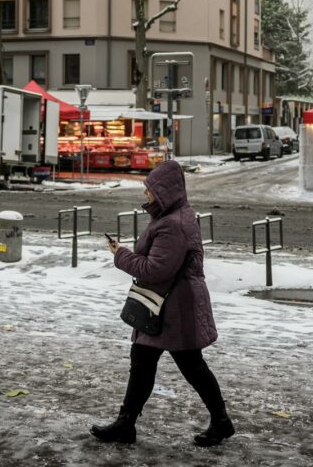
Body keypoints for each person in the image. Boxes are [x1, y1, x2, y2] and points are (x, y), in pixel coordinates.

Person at [91, 160, 234, 447]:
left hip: (175, 308)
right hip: (166, 305)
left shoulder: (173, 225)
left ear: (164, 192)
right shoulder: (169, 216)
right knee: (143, 362)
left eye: (150, 190)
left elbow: (155, 270)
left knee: (192, 366)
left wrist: (121, 255)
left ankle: (220, 421)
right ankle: (126, 424)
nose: (146, 194)